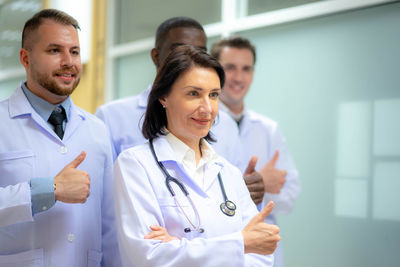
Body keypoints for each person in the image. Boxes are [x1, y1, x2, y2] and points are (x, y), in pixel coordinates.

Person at [114, 44, 280, 267]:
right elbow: (148, 258)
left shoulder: (227, 173)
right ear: (163, 96)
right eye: (194, 93)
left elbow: (261, 255)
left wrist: (179, 246)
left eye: (213, 95)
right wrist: (239, 244)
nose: (207, 108)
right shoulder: (135, 164)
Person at [95, 16, 265, 206]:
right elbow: (105, 197)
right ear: (156, 56)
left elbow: (233, 195)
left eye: (199, 51)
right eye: (179, 50)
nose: (189, 58)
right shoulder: (111, 117)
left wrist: (247, 190)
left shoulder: (225, 124)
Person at [0, 9, 120, 266]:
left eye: (74, 51)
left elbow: (110, 225)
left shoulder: (97, 129)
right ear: (25, 58)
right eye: (55, 50)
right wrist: (48, 191)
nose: (69, 61)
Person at [211, 36, 300, 267]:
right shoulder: (199, 124)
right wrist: (260, 183)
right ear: (215, 70)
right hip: (216, 247)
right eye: (230, 68)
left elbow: (290, 197)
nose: (239, 77)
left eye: (246, 69)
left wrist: (254, 190)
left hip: (261, 253)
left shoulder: (268, 130)